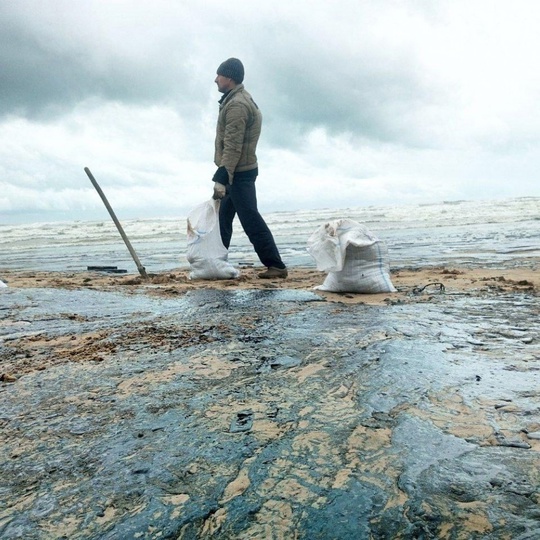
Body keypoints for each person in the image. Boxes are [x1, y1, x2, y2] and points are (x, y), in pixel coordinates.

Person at [212, 57, 288, 279]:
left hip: (238, 173)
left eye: (219, 75)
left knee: (250, 220)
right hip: (238, 170)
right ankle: (216, 262)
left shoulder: (237, 105)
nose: (215, 79)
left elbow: (233, 145)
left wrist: (222, 176)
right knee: (222, 219)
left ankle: (276, 265)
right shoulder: (234, 100)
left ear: (230, 78)